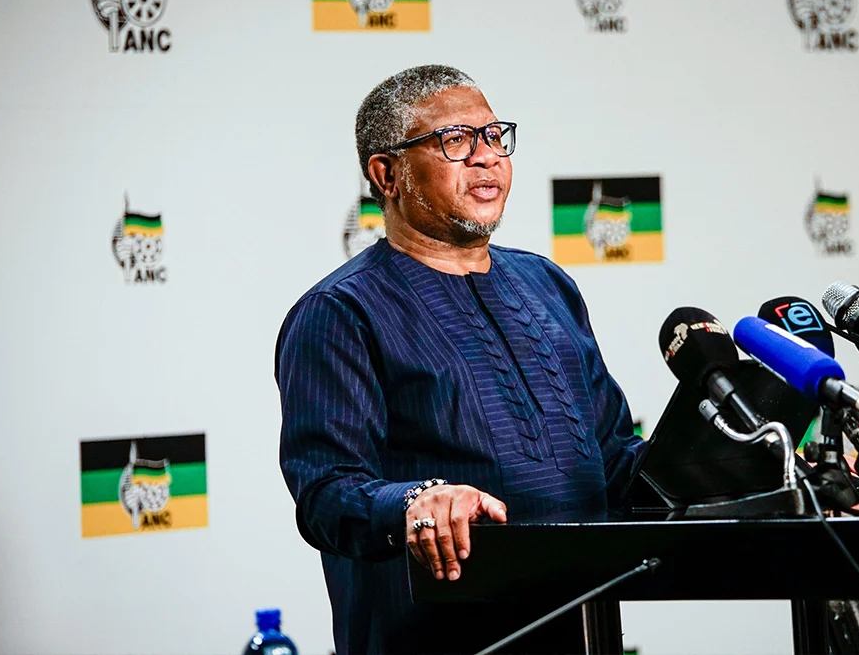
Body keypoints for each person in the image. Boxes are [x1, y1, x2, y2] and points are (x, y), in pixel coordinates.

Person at [276, 64, 646, 655]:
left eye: (495, 136)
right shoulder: (340, 311)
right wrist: (414, 503)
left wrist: (732, 457)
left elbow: (615, 459)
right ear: (387, 174)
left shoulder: (548, 284)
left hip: (584, 631)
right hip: (433, 640)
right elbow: (326, 493)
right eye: (456, 140)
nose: (486, 157)